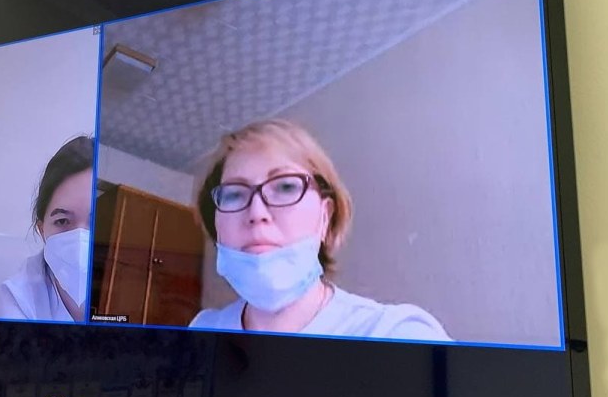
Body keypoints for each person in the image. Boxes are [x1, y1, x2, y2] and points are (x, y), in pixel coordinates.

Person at [190, 119, 450, 341]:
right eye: (234, 194)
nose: (257, 213)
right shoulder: (201, 332)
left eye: (285, 187)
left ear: (325, 217)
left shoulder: (397, 335)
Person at [0, 136, 94, 322]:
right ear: (42, 230)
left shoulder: (138, 287)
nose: (80, 238)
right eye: (63, 221)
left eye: (97, 221)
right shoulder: (20, 296)